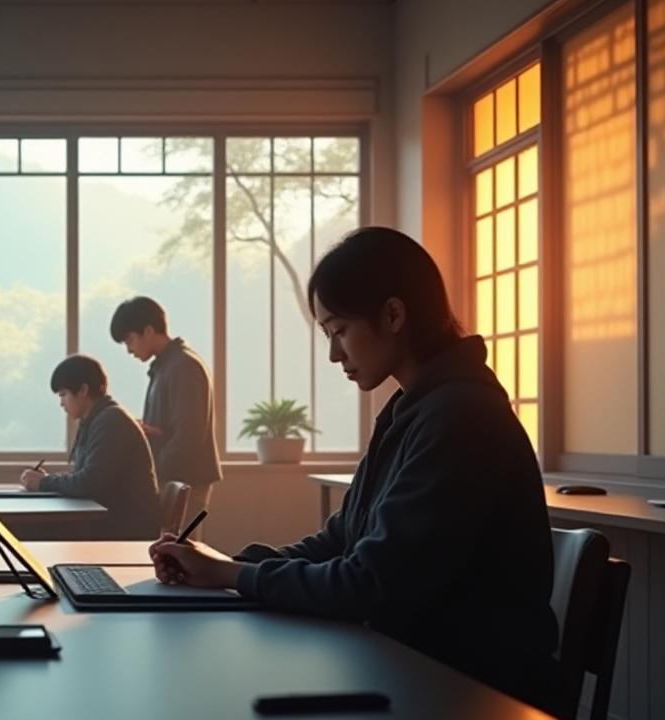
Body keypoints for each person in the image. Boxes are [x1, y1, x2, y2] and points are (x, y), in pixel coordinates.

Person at [148, 227, 559, 708]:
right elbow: (342, 539)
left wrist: (232, 577)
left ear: (393, 314)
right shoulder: (416, 408)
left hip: (465, 693)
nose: (333, 353)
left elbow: (369, 585)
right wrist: (233, 564)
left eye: (339, 330)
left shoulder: (462, 417)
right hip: (410, 666)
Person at [19, 355, 160, 539]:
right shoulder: (98, 419)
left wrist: (43, 482)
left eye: (63, 395)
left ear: (83, 390)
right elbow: (86, 477)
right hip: (110, 519)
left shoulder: (111, 421)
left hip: (122, 526)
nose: (61, 403)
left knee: (29, 531)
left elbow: (90, 483)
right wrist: (46, 481)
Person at [110, 296, 223, 524]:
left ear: (149, 331)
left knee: (178, 554)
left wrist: (151, 473)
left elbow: (189, 436)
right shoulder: (166, 366)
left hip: (184, 479)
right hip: (174, 476)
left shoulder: (183, 366)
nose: (129, 350)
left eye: (130, 340)